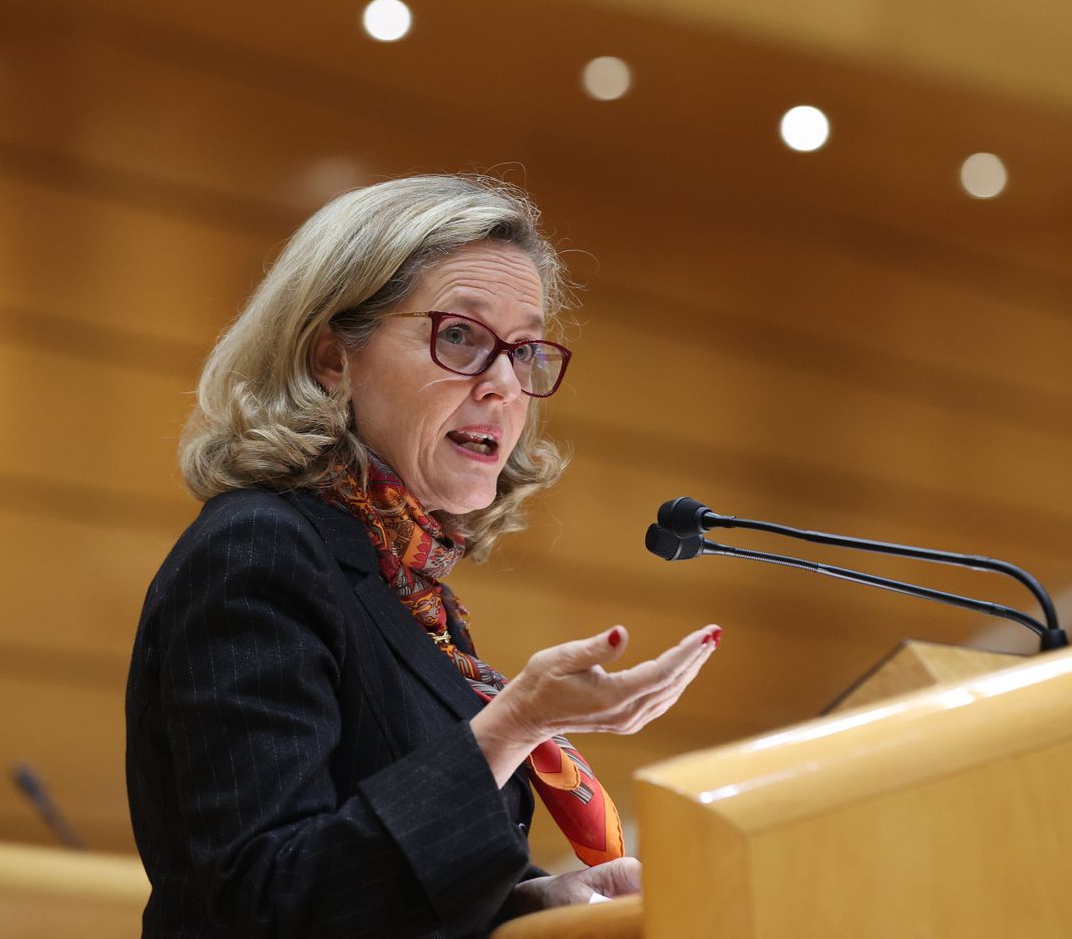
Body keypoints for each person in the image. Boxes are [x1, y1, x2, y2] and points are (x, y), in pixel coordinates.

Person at [125, 174, 720, 938]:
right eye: (461, 337)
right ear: (331, 360)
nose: (505, 386)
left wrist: (530, 902)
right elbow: (262, 906)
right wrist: (511, 727)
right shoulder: (257, 552)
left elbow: (367, 884)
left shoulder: (404, 585)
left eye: (525, 350)